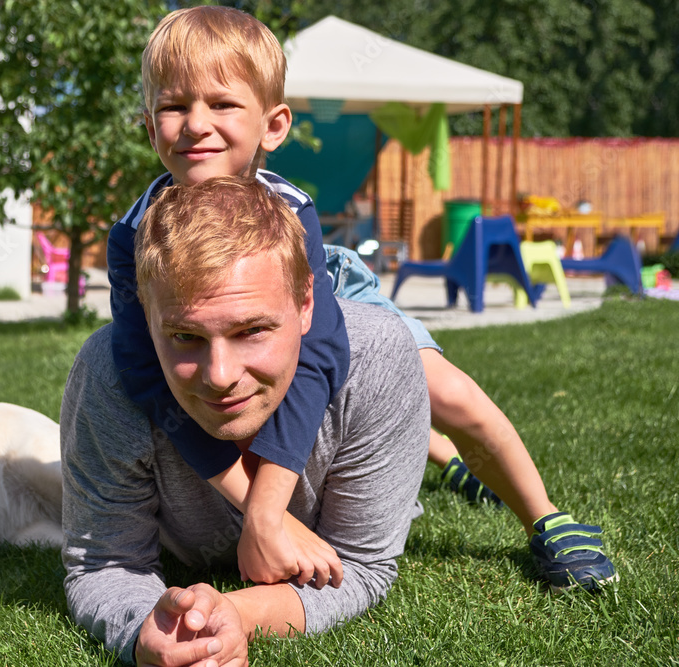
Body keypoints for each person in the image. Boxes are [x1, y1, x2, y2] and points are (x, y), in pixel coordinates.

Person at [107, 5, 617, 594]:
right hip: (233, 317)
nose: (196, 124)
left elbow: (321, 358)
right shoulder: (135, 237)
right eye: (174, 106)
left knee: (449, 393)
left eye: (222, 104)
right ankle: (431, 452)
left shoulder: (291, 210)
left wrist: (268, 514)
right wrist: (256, 508)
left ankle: (546, 518)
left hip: (327, 282)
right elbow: (146, 372)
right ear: (150, 127)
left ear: (273, 126)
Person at [62, 176, 431, 665]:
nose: (219, 377)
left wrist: (235, 613)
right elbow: (105, 563)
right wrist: (145, 631)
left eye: (251, 330)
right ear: (145, 318)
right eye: (185, 337)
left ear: (305, 305)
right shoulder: (108, 376)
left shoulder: (377, 359)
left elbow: (361, 565)